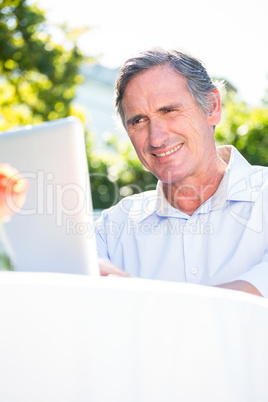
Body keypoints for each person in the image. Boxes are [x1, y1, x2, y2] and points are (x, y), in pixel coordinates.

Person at [95, 47, 268, 297]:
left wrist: (141, 301)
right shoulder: (112, 229)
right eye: (139, 121)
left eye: (169, 111)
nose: (157, 138)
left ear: (212, 106)